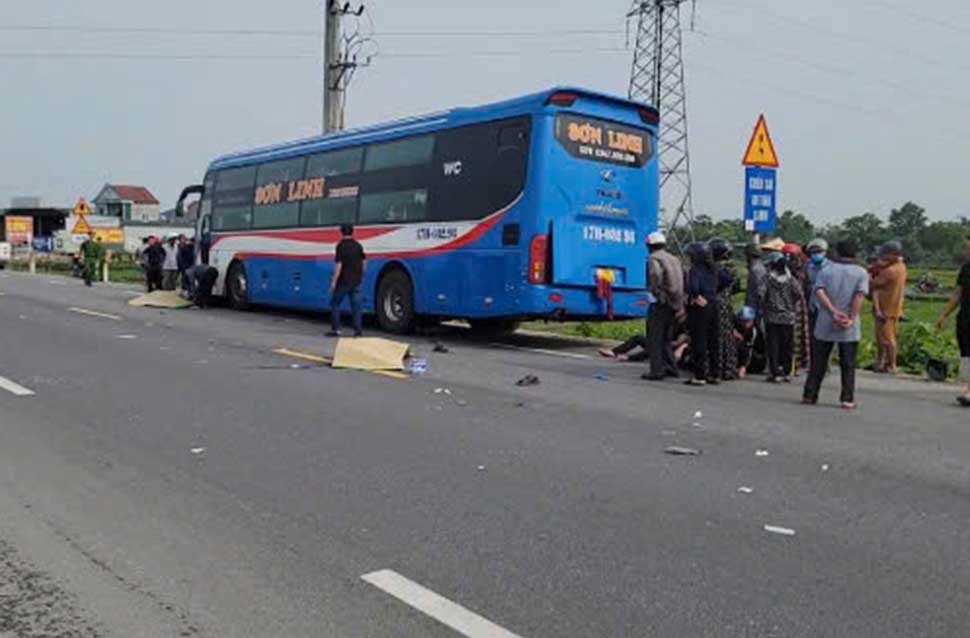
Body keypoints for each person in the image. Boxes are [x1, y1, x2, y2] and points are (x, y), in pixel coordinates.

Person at [802, 239, 869, 410]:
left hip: (825, 320)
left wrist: (833, 311)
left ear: (837, 253)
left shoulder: (826, 270)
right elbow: (859, 296)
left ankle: (810, 394)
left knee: (819, 361)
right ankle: (847, 398)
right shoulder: (861, 272)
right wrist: (850, 317)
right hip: (849, 324)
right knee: (848, 362)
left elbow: (819, 291)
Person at [684, 242, 732, 386]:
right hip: (714, 304)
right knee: (713, 340)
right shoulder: (715, 268)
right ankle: (714, 374)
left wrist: (696, 296)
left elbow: (693, 287)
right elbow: (728, 279)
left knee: (700, 340)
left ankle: (700, 375)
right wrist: (714, 291)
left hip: (701, 306)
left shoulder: (695, 269)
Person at [641, 231, 685, 380]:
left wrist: (655, 293)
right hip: (675, 303)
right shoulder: (674, 259)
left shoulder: (653, 259)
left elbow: (655, 277)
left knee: (654, 337)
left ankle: (656, 370)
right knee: (666, 338)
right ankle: (671, 367)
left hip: (661, 302)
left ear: (649, 245)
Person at [935, 240, 970, 405]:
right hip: (965, 317)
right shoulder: (966, 269)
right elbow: (957, 294)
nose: (965, 252)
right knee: (966, 353)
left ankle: (969, 391)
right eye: (965, 248)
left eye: (967, 248)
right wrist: (944, 315)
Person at [761, 252, 802, 383]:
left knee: (773, 346)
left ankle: (775, 373)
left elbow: (761, 294)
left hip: (772, 317)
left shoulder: (767, 278)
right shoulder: (791, 280)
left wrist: (767, 305)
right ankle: (786, 371)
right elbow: (798, 294)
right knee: (787, 346)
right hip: (788, 318)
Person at [870, 240, 907, 374]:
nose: (883, 257)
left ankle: (891, 364)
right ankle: (884, 363)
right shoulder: (901, 267)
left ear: (893, 255)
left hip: (885, 309)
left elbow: (873, 284)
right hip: (894, 307)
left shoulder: (890, 271)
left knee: (887, 338)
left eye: (886, 254)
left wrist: (869, 275)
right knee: (884, 337)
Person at [328, 223, 366, 337]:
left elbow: (339, 265)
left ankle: (336, 329)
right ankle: (358, 331)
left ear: (341, 232)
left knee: (335, 303)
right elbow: (364, 261)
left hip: (344, 281)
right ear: (352, 232)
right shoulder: (358, 245)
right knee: (356, 307)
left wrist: (333, 282)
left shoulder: (341, 246)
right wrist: (361, 274)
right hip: (356, 281)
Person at [710, 238, 739, 380]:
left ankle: (718, 368)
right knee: (728, 337)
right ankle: (730, 367)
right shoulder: (732, 269)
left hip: (717, 305)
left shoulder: (716, 269)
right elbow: (737, 288)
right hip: (727, 305)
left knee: (717, 337)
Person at [783, 243, 811, 375]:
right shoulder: (801, 270)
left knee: (793, 337)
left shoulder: (799, 271)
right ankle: (794, 365)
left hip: (793, 306)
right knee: (793, 337)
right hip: (795, 306)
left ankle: (794, 365)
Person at [734, 306, 761, 378]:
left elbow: (753, 348)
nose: (745, 324)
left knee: (744, 347)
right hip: (742, 354)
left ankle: (742, 367)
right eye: (743, 321)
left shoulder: (755, 331)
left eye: (748, 321)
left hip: (754, 359)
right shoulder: (736, 328)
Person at [744, 243, 766, 318]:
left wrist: (760, 309)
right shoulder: (756, 267)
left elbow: (760, 292)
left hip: (755, 308)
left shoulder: (756, 270)